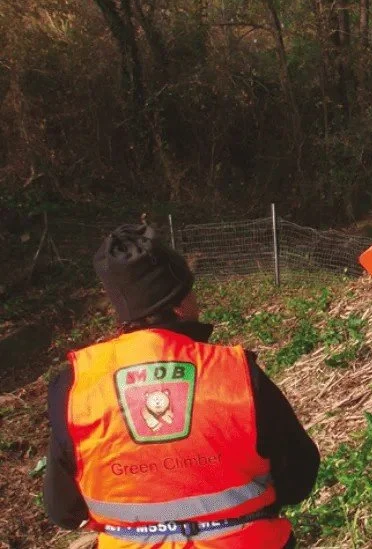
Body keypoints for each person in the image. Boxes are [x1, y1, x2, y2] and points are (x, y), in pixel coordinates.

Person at [43, 224, 320, 548]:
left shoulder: (76, 388)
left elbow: (62, 509)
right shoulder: (237, 374)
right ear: (178, 305)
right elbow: (299, 477)